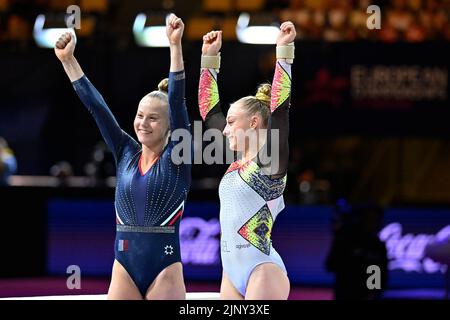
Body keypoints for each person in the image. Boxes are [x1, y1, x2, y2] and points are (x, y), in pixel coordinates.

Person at [54, 14, 191, 300]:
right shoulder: (126, 151)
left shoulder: (178, 157)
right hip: (124, 266)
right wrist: (68, 60)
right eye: (140, 115)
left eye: (153, 118)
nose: (142, 123)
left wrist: (174, 45)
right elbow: (98, 109)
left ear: (169, 127)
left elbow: (177, 102)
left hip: (164, 268)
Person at [197, 22, 296, 299]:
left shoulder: (270, 162)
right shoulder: (239, 161)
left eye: (231, 122)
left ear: (253, 122)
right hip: (231, 272)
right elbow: (209, 113)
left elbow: (280, 111)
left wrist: (284, 53)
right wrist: (209, 61)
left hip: (262, 269)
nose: (224, 129)